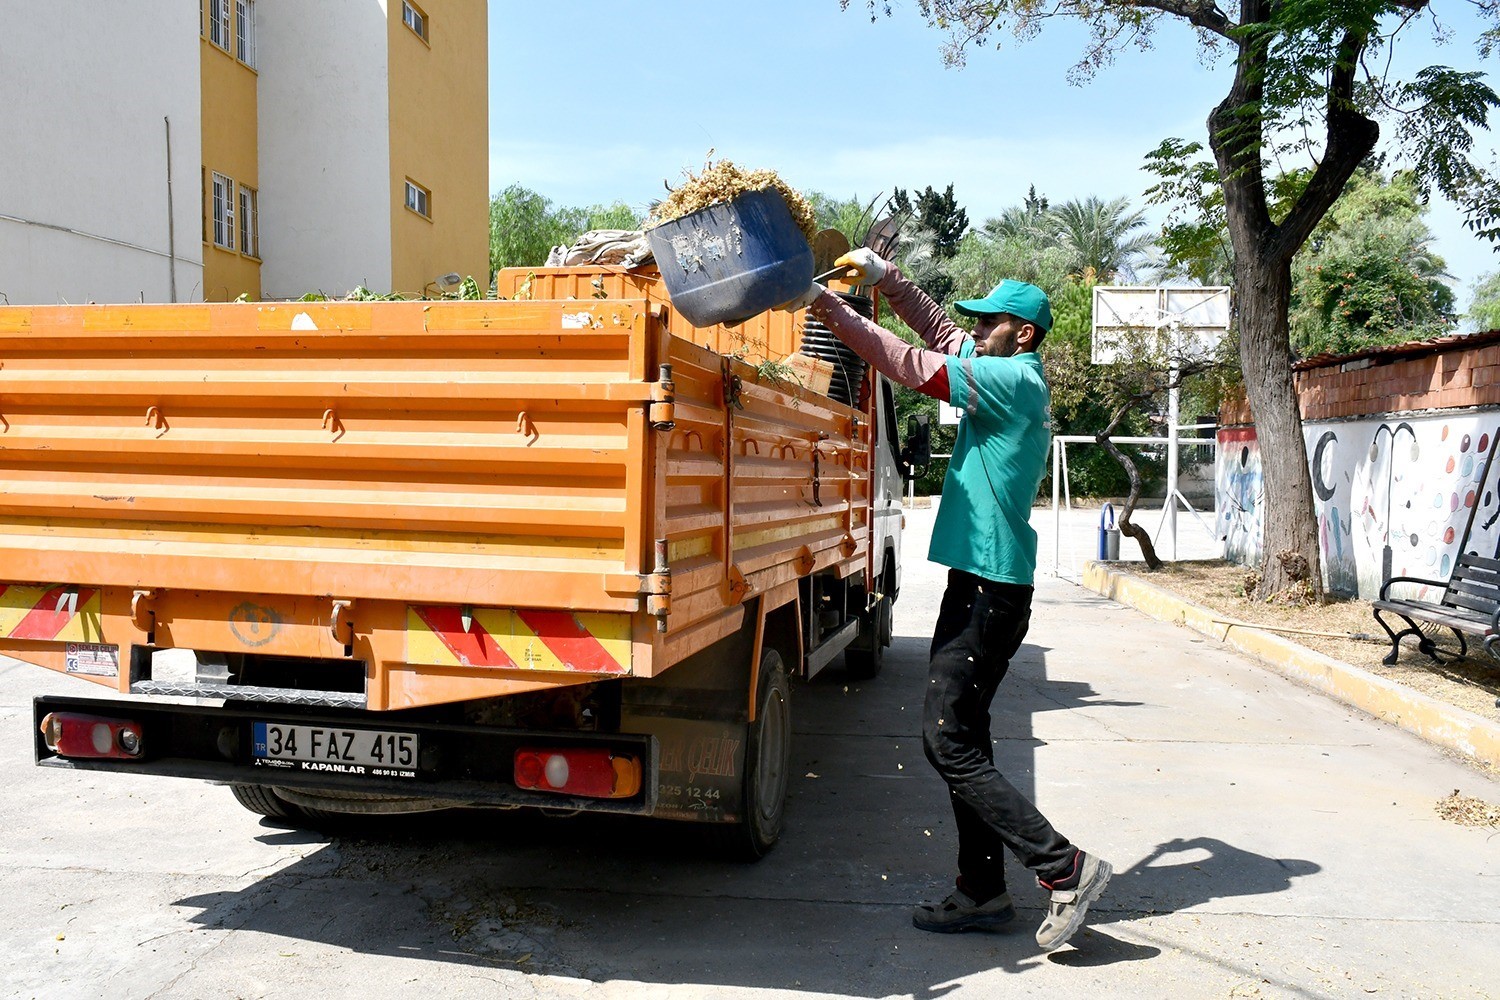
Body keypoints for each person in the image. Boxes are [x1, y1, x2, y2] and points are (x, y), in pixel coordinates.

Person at [781, 248, 1112, 952]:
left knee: (946, 740)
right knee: (966, 735)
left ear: (1020, 332)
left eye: (990, 321)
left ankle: (1064, 867)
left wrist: (826, 305)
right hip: (982, 581)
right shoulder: (1002, 369)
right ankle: (981, 890)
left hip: (992, 588)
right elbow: (936, 330)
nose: (977, 329)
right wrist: (885, 277)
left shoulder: (1012, 381)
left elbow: (907, 362)